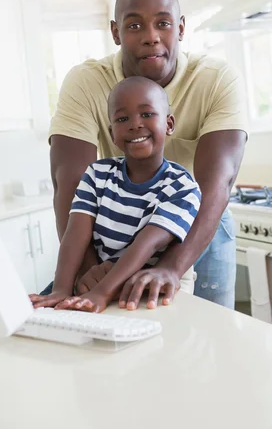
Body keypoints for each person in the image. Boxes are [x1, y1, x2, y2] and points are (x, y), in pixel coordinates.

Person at [46, 0, 248, 310]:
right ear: (115, 32)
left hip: (199, 217)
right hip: (116, 218)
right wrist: (90, 270)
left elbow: (217, 185)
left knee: (207, 330)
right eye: (135, 24)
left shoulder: (217, 79)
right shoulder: (86, 82)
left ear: (181, 28)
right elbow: (69, 183)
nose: (151, 35)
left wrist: (171, 267)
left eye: (163, 23)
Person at [30, 77, 201, 312]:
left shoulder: (182, 187)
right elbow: (75, 233)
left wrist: (102, 292)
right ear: (112, 134)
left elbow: (146, 245)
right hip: (96, 283)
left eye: (147, 114)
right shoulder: (98, 174)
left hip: (140, 290)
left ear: (169, 124)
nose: (135, 124)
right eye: (122, 119)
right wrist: (61, 288)